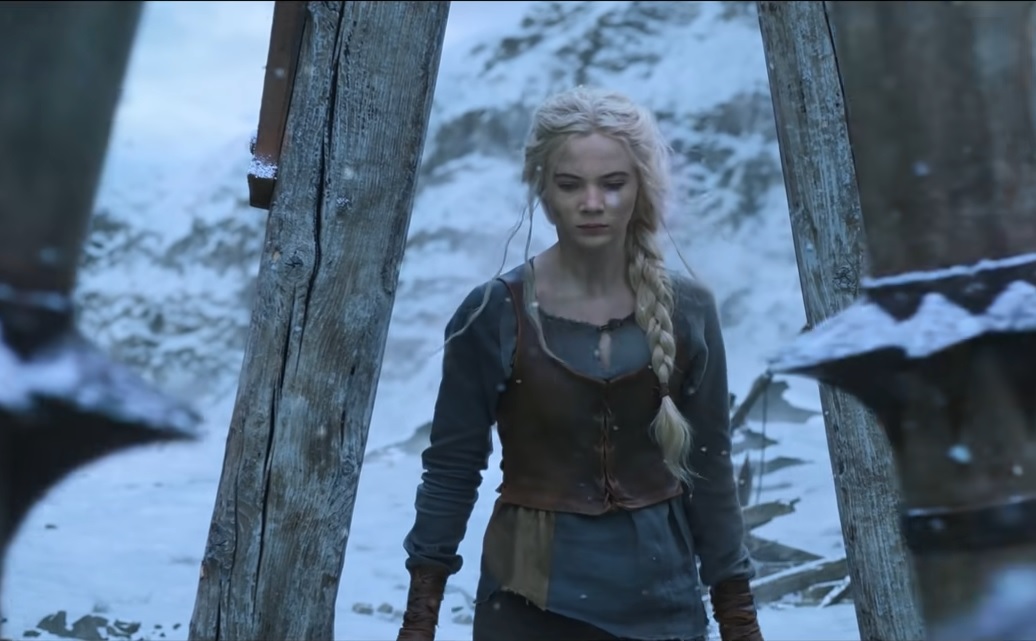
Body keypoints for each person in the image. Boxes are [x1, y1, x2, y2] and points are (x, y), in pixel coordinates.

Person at [396, 85, 764, 641]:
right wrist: (420, 617)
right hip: (527, 598)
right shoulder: (494, 311)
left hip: (661, 600)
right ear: (543, 191)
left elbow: (710, 467)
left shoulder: (688, 309)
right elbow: (453, 466)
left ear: (640, 187)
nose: (592, 203)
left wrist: (738, 617)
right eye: (570, 184)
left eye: (612, 183)